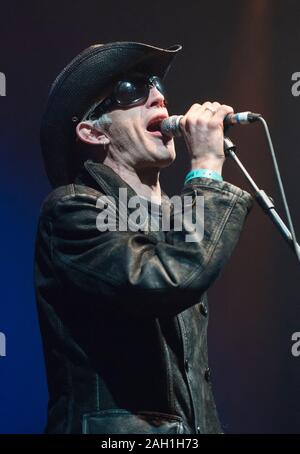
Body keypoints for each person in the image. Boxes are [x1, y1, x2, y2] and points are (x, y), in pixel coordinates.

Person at [35, 41, 253, 434]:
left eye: (156, 85)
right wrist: (205, 171)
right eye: (130, 91)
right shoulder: (72, 211)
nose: (157, 96)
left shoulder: (175, 217)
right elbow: (165, 279)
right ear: (92, 132)